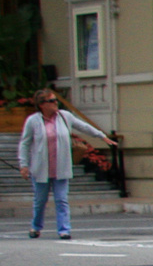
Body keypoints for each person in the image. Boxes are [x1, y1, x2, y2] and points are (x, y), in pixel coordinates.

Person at [17, 89, 116, 240]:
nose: (55, 103)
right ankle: (36, 226)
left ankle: (64, 230)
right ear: (42, 105)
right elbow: (25, 144)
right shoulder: (33, 121)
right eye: (51, 101)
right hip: (41, 168)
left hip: (60, 166)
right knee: (40, 201)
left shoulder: (65, 116)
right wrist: (24, 165)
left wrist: (102, 136)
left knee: (61, 200)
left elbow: (83, 126)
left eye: (55, 100)